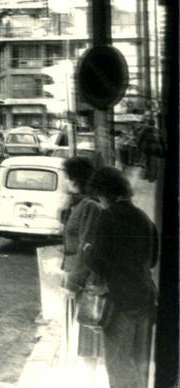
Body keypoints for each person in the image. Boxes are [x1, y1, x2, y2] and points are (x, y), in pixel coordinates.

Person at [85, 166, 158, 388]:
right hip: (144, 297)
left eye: (98, 195)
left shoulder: (108, 217)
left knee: (118, 364)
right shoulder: (144, 218)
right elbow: (153, 259)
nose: (99, 200)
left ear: (104, 192)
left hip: (119, 300)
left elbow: (99, 261)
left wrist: (88, 249)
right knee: (138, 361)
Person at [60, 156, 103, 367]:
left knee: (86, 338)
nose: (66, 182)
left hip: (85, 283)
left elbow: (87, 248)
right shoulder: (80, 204)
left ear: (76, 179)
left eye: (68, 178)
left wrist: (73, 283)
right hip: (77, 278)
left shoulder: (89, 206)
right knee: (78, 335)